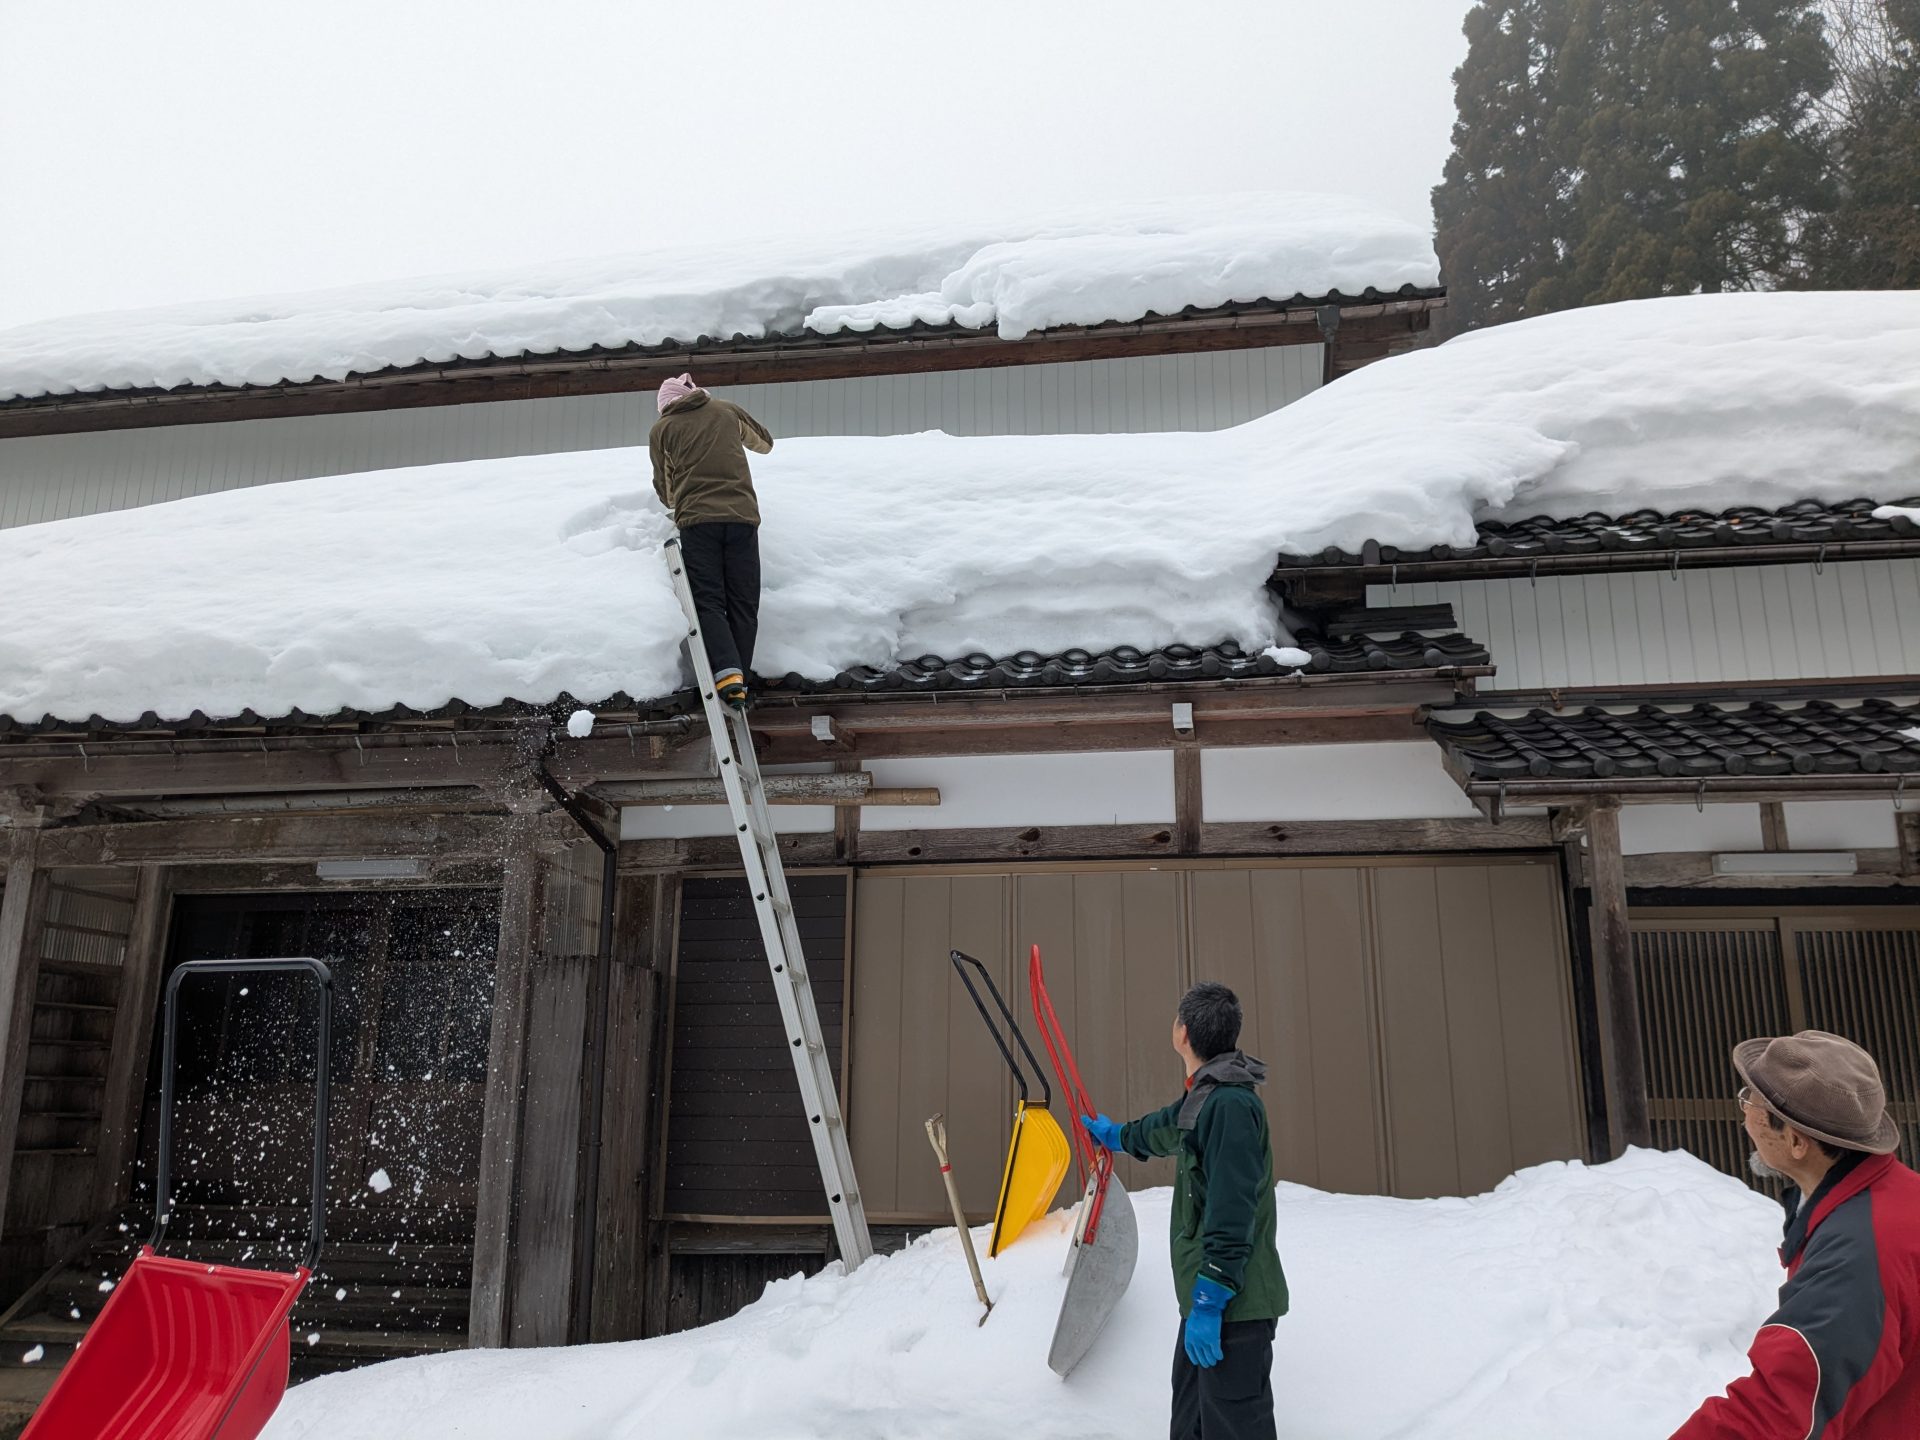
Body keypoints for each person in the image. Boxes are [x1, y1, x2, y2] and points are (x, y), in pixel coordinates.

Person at [1670, 1029, 1919, 1439]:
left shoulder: (1858, 1250)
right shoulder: (1895, 1199)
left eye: (1750, 1101)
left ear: (1797, 1141)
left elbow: (1779, 1413)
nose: (1743, 1116)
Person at [1083, 981, 1287, 1440]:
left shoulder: (1231, 1106)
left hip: (1231, 1306)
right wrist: (1117, 1136)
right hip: (1207, 1302)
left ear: (1183, 1033)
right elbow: (1167, 1128)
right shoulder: (1209, 1095)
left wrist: (1211, 1299)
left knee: (1235, 1429)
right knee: (1192, 1426)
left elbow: (1233, 1210)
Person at [650, 373, 774, 708]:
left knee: (708, 601)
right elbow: (764, 442)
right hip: (742, 518)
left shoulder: (663, 429)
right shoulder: (726, 410)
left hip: (698, 522)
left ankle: (728, 675)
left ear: (667, 406)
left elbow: (666, 490)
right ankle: (739, 681)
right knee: (743, 603)